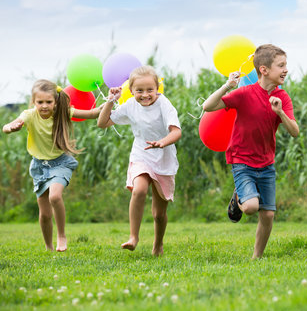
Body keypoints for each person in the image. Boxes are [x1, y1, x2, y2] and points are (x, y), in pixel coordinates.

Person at [203, 44, 299, 259]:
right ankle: (240, 196)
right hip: (242, 160)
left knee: (268, 214)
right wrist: (227, 86)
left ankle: (257, 257)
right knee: (251, 208)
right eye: (280, 65)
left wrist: (280, 113)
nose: (285, 70)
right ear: (264, 70)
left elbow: (294, 131)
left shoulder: (282, 98)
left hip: (266, 163)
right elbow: (208, 107)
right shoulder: (244, 94)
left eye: (286, 65)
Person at [2, 79, 102, 252]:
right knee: (45, 213)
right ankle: (48, 246)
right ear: (34, 102)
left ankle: (61, 236)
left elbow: (92, 114)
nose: (44, 106)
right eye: (40, 102)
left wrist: (110, 102)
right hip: (39, 166)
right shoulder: (29, 115)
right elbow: (7, 126)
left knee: (55, 197)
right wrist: (11, 127)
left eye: (49, 102)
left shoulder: (64, 112)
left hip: (60, 162)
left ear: (55, 101)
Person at [97, 66, 181, 256]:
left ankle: (158, 245)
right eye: (139, 91)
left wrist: (162, 142)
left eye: (150, 90)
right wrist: (111, 101)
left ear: (157, 88)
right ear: (131, 91)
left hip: (164, 156)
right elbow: (102, 123)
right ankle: (133, 237)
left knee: (159, 214)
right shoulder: (130, 106)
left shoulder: (164, 104)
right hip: (141, 154)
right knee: (140, 189)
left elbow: (176, 132)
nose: (145, 95)